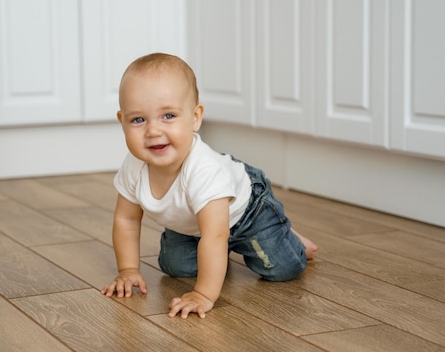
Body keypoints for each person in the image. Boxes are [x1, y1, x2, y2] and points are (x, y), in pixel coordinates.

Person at [101, 53, 318, 319]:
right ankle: (219, 257)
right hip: (195, 226)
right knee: (175, 266)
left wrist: (203, 294)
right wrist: (128, 270)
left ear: (195, 117)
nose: (153, 131)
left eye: (168, 115)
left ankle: (288, 238)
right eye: (138, 120)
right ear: (122, 121)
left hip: (247, 213)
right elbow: (126, 220)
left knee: (282, 268)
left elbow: (215, 235)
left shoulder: (204, 171)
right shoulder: (134, 166)